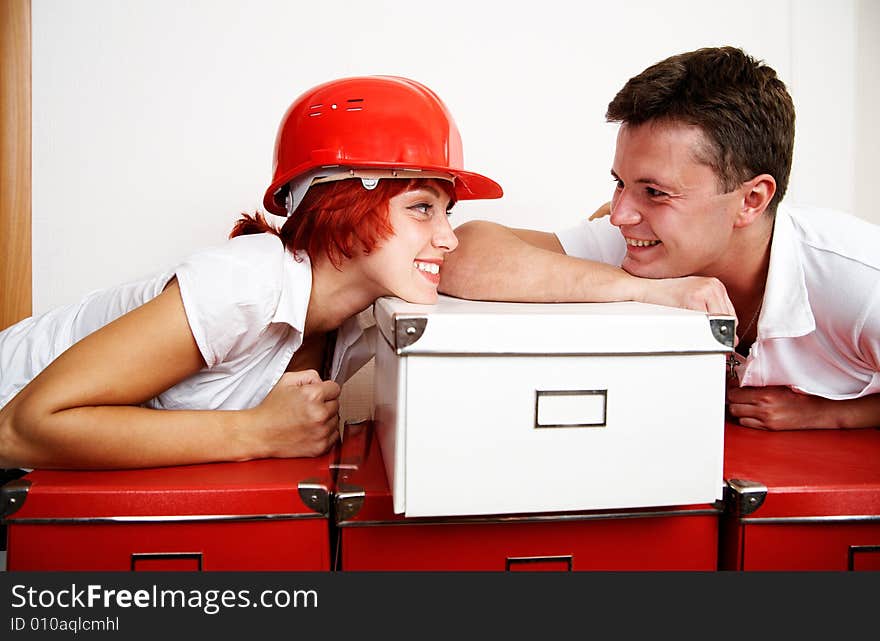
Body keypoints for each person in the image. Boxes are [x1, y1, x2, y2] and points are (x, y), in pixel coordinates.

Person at [0, 75, 502, 469]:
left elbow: (513, 259)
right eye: (421, 208)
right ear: (341, 208)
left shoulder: (362, 320)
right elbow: (20, 429)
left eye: (447, 212)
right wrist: (259, 431)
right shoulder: (246, 281)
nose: (448, 239)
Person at [440, 46, 880, 430]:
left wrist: (834, 414)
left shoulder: (859, 278)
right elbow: (464, 254)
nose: (619, 216)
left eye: (655, 192)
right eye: (620, 184)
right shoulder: (642, 248)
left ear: (751, 199)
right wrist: (646, 290)